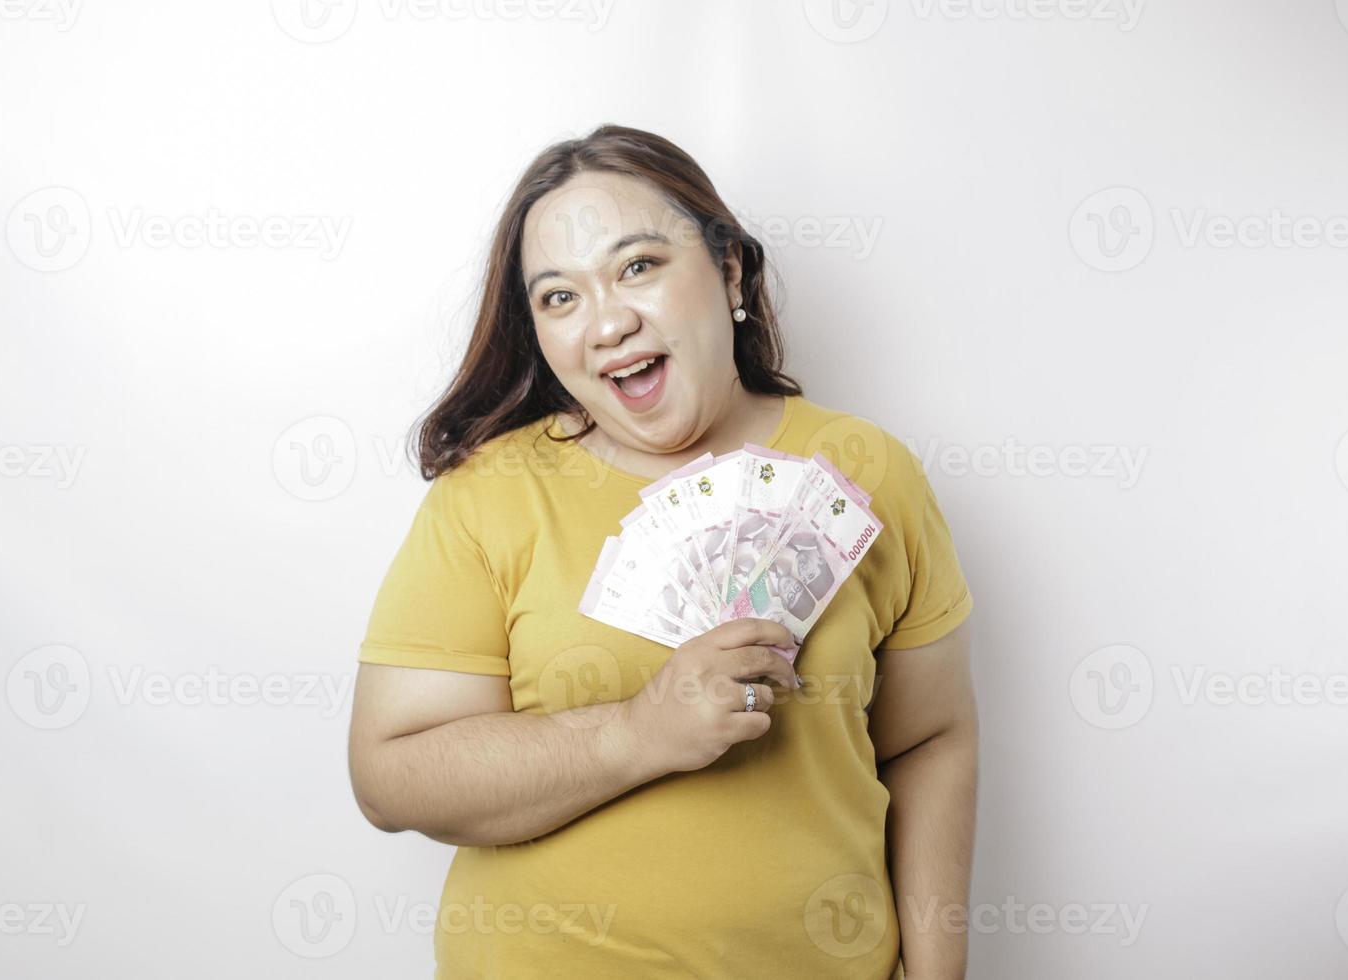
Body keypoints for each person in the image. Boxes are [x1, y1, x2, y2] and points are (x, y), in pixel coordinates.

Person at [347, 123, 978, 980]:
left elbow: (929, 737)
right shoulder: (490, 495)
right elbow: (390, 777)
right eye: (559, 297)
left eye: (637, 266)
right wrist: (635, 735)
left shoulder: (867, 473)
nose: (607, 321)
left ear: (728, 271)